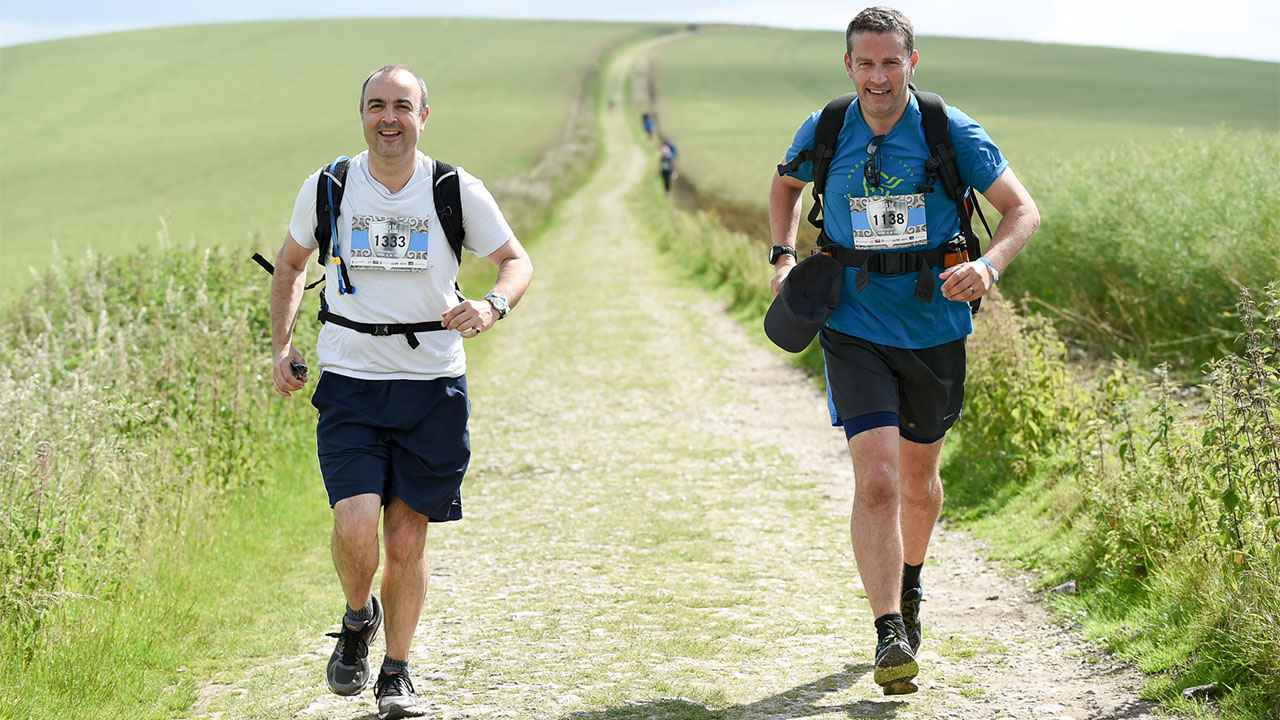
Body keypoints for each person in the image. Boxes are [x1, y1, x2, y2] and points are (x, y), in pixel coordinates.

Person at [767, 7, 1039, 695]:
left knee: (919, 484)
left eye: (891, 62)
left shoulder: (949, 130)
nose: (879, 77)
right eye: (866, 63)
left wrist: (990, 266)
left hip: (934, 328)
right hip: (852, 323)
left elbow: (1022, 210)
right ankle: (888, 629)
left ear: (912, 63)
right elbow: (787, 184)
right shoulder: (827, 127)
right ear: (849, 66)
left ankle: (910, 585)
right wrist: (782, 254)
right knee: (880, 481)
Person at [269, 64, 532, 719]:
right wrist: (282, 345)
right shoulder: (329, 186)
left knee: (407, 543)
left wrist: (492, 305)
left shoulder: (453, 189)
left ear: (423, 116)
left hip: (431, 386)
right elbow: (291, 265)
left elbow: (516, 261)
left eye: (403, 106)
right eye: (377, 105)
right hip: (351, 383)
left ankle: (396, 672)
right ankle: (359, 615)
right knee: (355, 523)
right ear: (362, 114)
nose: (389, 118)